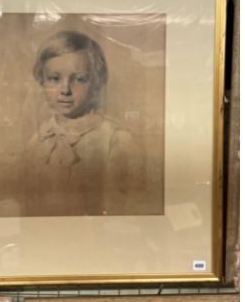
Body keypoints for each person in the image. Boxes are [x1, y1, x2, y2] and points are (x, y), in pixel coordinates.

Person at [18, 30, 149, 216]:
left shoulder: (118, 142)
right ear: (42, 83)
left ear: (97, 82)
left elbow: (130, 212)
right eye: (54, 79)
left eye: (79, 79)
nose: (65, 90)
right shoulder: (36, 142)